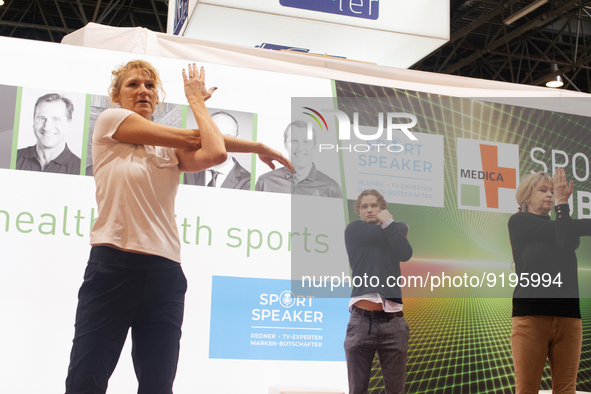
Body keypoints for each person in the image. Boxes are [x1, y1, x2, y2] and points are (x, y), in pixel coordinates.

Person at [64, 60, 291, 394]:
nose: (143, 90)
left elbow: (213, 151)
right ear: (117, 95)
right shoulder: (111, 122)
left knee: (158, 385)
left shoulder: (169, 150)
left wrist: (251, 143)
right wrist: (202, 106)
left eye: (150, 86)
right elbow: (191, 135)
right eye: (133, 84)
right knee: (86, 380)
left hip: (164, 275)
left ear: (157, 99)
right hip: (113, 268)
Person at [508, 169, 591, 394]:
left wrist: (563, 210)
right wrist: (563, 202)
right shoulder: (519, 222)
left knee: (566, 389)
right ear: (526, 196)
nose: (550, 195)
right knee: (526, 389)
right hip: (532, 317)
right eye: (543, 190)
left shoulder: (563, 227)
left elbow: (565, 237)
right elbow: (565, 237)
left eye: (553, 192)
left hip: (569, 318)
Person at [343, 189, 413, 394]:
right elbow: (398, 229)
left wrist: (394, 228)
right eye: (364, 206)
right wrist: (395, 225)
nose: (369, 210)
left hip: (394, 323)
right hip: (362, 321)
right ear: (358, 211)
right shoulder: (355, 230)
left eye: (374, 205)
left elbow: (406, 253)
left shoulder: (391, 234)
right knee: (358, 390)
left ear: (382, 207)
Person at [255, 120, 342, 197]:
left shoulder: (332, 188)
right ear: (285, 144)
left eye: (306, 142)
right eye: (294, 141)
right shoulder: (264, 182)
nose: (300, 148)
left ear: (314, 145)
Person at [184, 111, 251, 189]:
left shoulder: (250, 183)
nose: (219, 144)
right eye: (213, 135)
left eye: (228, 137)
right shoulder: (184, 171)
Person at [16, 93, 81, 174]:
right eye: (41, 118)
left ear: (69, 124)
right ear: (33, 121)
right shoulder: (12, 158)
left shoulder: (80, 170)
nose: (46, 127)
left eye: (55, 119)